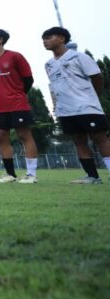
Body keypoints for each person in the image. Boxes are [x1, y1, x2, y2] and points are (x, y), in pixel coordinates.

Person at [42, 27, 110, 184]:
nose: (45, 41)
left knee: (100, 138)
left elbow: (97, 77)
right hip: (66, 110)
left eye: (48, 37)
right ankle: (92, 176)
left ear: (61, 38)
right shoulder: (49, 64)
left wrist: (93, 97)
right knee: (79, 141)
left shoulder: (79, 57)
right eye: (43, 39)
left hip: (87, 106)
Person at [0, 29, 40, 184]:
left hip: (17, 104)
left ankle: (31, 174)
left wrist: (17, 94)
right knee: (2, 137)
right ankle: (10, 174)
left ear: (0, 40)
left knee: (24, 135)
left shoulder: (15, 56)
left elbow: (28, 80)